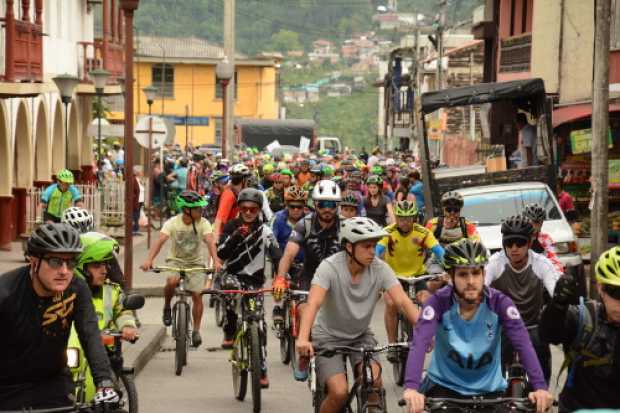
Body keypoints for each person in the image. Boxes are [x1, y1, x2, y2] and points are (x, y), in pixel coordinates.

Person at [401, 239, 553, 413]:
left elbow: (523, 343)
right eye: (463, 274)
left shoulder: (500, 303)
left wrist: (540, 387)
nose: (471, 281)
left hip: (490, 392)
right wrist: (411, 388)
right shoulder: (437, 303)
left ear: (483, 274)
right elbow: (419, 343)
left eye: (475, 273)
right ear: (451, 277)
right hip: (443, 388)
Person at [296, 217, 420, 411]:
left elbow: (402, 301)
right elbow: (313, 303)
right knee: (339, 393)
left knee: (374, 385)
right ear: (349, 247)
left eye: (375, 246)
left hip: (360, 336)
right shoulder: (329, 267)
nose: (373, 252)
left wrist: (424, 332)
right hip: (328, 337)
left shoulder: (380, 268)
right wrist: (303, 338)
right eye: (367, 246)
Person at [0, 223, 118, 410]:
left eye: (71, 263)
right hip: (7, 389)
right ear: (34, 261)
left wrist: (104, 382)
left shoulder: (77, 288)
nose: (64, 271)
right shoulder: (6, 292)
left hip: (54, 386)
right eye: (55, 262)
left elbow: (90, 334)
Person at [540, 246, 620, 411]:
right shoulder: (584, 318)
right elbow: (549, 334)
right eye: (615, 292)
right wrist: (557, 306)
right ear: (600, 288)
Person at [484, 215, 561, 382]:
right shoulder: (495, 262)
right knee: (490, 370)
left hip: (532, 326)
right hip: (502, 326)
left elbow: (556, 292)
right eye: (509, 243)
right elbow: (479, 289)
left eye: (519, 243)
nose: (514, 248)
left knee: (542, 370)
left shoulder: (542, 264)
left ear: (529, 243)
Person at [217, 188, 281, 386]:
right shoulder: (231, 226)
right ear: (239, 209)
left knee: (259, 325)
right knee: (229, 288)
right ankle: (230, 326)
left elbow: (277, 253)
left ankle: (261, 369)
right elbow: (221, 253)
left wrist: (281, 276)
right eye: (244, 208)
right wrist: (236, 235)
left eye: (253, 209)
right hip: (233, 276)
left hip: (255, 282)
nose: (248, 213)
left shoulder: (265, 230)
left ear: (259, 210)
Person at [140, 191, 220, 348]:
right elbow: (160, 240)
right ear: (186, 210)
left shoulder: (203, 223)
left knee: (197, 294)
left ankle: (196, 330)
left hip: (196, 262)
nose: (201, 211)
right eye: (197, 208)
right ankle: (167, 306)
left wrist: (216, 261)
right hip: (175, 261)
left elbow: (210, 242)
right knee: (172, 281)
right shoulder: (173, 223)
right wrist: (149, 260)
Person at [377, 200, 444, 359]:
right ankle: (392, 344)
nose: (404, 222)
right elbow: (376, 251)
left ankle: (426, 337)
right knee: (391, 304)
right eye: (401, 218)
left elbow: (439, 252)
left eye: (408, 218)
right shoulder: (388, 232)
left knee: (427, 301)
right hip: (394, 277)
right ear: (396, 217)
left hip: (418, 275)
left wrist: (449, 268)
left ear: (414, 218)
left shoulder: (423, 232)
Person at [74, 232, 138, 340]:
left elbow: (122, 311)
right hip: (73, 349)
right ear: (81, 267)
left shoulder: (112, 291)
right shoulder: (64, 293)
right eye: (96, 266)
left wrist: (127, 326)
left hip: (107, 351)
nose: (104, 271)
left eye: (105, 265)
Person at [522, 203, 564, 272]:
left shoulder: (545, 238)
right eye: (530, 221)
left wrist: (559, 274)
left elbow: (554, 259)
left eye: (537, 222)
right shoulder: (518, 237)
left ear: (542, 223)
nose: (534, 225)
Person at [213, 163, 251, 238]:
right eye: (247, 181)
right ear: (243, 180)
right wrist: (216, 241)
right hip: (225, 236)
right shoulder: (229, 194)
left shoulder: (237, 193)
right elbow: (219, 220)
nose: (248, 184)